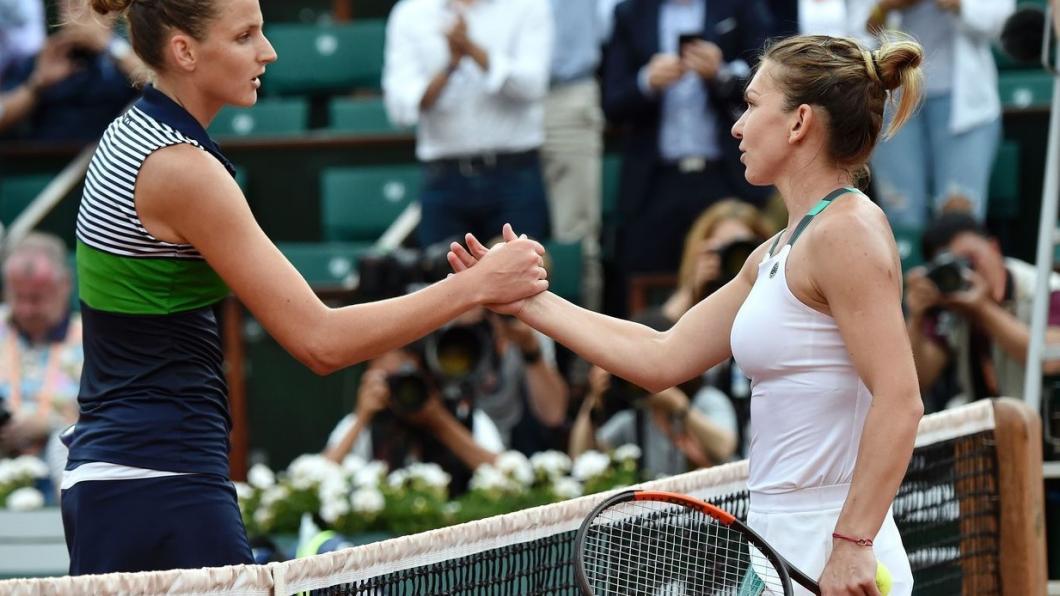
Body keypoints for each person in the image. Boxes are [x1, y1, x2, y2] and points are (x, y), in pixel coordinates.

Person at [61, 0, 548, 576]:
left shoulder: (135, 136)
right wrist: (477, 286)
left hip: (126, 479)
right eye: (245, 36)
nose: (268, 51)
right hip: (158, 484)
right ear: (184, 51)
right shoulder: (181, 168)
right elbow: (320, 341)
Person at [452, 33, 926, 595]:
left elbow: (900, 399)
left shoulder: (848, 231)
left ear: (799, 122)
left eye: (751, 105)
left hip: (834, 557)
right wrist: (530, 302)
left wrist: (853, 545)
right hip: (779, 550)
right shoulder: (777, 251)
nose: (737, 126)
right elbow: (661, 357)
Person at [601, 0, 773, 303]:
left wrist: (720, 73)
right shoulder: (630, 11)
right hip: (654, 181)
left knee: (739, 279)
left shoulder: (741, 6)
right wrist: (646, 82)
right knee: (645, 280)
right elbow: (610, 102)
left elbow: (772, 86)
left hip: (726, 176)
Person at [382, 0, 554, 248]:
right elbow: (400, 109)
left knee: (524, 279)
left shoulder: (528, 6)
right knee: (442, 280)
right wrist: (451, 66)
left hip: (515, 173)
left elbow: (533, 86)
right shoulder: (410, 13)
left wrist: (472, 50)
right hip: (443, 176)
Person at [860, 0, 1015, 229]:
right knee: (902, 216)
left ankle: (956, 266)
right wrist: (884, 8)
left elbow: (1005, 24)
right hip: (894, 97)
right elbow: (848, 30)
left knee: (959, 218)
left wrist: (957, 4)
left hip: (966, 103)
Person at [905, 211, 1060, 409]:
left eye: (969, 259)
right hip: (987, 430)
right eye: (953, 266)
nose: (966, 272)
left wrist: (982, 309)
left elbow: (1050, 358)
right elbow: (918, 382)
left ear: (994, 248)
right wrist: (916, 318)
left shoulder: (1046, 288)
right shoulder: (949, 303)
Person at [323, 345, 502, 493]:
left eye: (410, 379)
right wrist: (361, 417)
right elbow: (316, 478)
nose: (404, 390)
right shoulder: (364, 423)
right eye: (390, 381)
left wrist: (439, 420)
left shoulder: (465, 416)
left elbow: (509, 474)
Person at [0, 0, 143, 141]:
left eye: (78, 3)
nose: (70, 10)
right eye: (65, 4)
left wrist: (109, 45)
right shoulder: (46, 56)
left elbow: (156, 84)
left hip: (111, 155)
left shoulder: (128, 53)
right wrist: (37, 84)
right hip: (48, 157)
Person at [0, 234, 82, 480]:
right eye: (17, 296)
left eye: (36, 299)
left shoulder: (94, 339)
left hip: (62, 474)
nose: (26, 309)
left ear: (65, 286)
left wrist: (49, 425)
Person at [542, 0, 605, 310]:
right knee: (504, 237)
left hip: (565, 91)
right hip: (496, 103)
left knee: (577, 240)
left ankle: (584, 352)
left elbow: (610, 21)